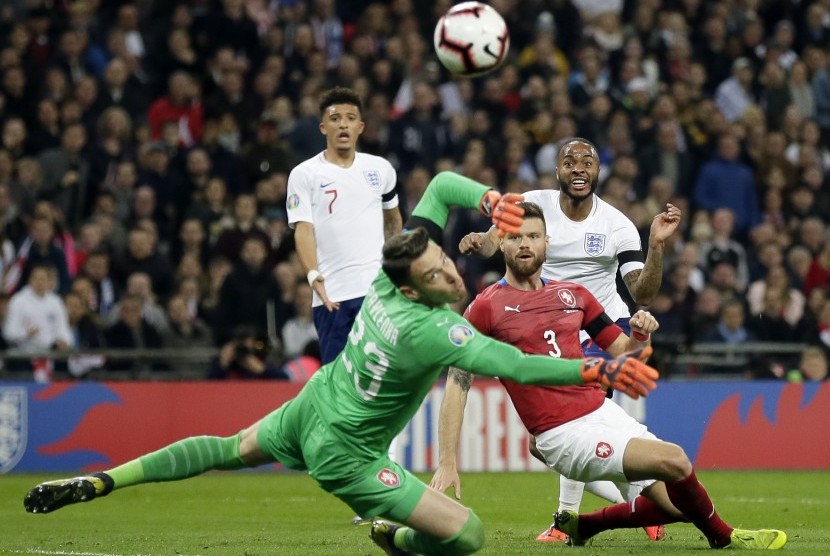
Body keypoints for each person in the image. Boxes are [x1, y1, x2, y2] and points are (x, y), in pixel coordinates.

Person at [22, 171, 660, 556]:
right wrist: (597, 371)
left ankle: (104, 481)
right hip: (344, 453)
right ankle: (395, 537)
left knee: (223, 448)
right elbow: (519, 369)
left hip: (315, 401)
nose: (449, 269)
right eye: (438, 272)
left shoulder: (389, 282)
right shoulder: (435, 331)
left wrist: (489, 197)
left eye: (443, 261)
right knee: (467, 537)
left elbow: (438, 187)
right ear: (416, 289)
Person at [430, 203, 786, 551]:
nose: (525, 244)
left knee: (676, 506)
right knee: (675, 460)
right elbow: (458, 381)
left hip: (600, 411)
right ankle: (726, 537)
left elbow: (627, 353)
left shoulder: (573, 295)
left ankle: (583, 526)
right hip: (560, 433)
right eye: (516, 237)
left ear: (546, 243)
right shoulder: (486, 306)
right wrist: (447, 461)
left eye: (533, 236)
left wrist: (641, 332)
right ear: (502, 244)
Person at [458, 137, 681, 542]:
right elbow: (496, 240)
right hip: (547, 327)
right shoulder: (531, 202)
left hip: (600, 326)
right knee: (541, 446)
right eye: (569, 161)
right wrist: (480, 241)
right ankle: (638, 503)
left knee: (572, 430)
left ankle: (566, 520)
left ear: (598, 172)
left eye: (588, 161)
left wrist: (656, 248)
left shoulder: (617, 224)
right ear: (556, 171)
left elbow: (642, 292)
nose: (578, 168)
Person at [287, 86, 402, 365]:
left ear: (360, 127)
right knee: (340, 387)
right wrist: (313, 275)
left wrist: (395, 267)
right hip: (332, 297)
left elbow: (393, 219)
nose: (343, 124)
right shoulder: (304, 174)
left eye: (350, 118)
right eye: (335, 118)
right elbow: (303, 229)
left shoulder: (381, 169)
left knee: (383, 378)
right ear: (323, 127)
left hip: (376, 292)